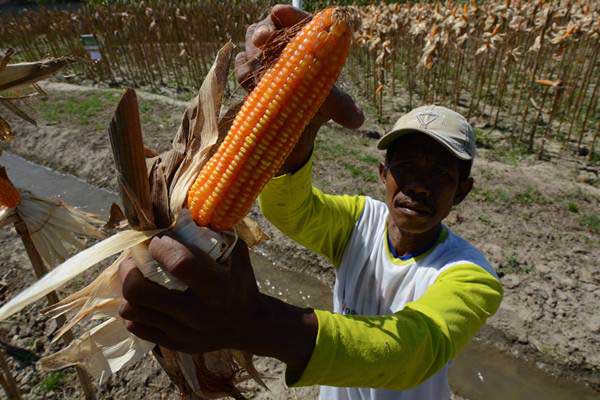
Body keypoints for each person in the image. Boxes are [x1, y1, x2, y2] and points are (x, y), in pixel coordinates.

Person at [117, 5, 503, 400]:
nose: (420, 185)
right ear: (383, 175)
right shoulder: (360, 222)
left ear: (462, 191)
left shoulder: (472, 276)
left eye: (441, 173)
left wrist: (253, 323)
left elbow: (412, 352)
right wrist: (300, 119)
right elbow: (289, 210)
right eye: (406, 166)